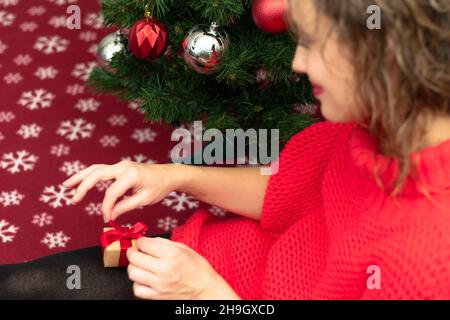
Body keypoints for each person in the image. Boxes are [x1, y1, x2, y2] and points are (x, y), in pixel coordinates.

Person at [1, 0, 449, 299]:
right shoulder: (377, 121)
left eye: (313, 44)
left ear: (384, 55)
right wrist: (172, 176)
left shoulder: (426, 267)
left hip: (212, 290)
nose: (298, 63)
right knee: (25, 284)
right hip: (209, 264)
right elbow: (285, 190)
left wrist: (207, 294)